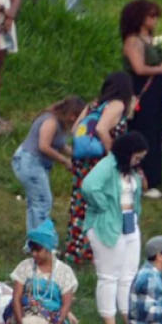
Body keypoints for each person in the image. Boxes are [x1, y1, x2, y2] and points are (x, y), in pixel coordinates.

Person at [63, 73, 136, 266]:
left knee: (80, 203)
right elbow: (102, 129)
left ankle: (75, 249)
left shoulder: (93, 105)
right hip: (99, 161)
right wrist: (114, 155)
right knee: (101, 202)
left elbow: (75, 130)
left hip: (82, 161)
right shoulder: (117, 105)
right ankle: (94, 250)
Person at [82, 132, 148, 324]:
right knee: (109, 275)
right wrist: (105, 206)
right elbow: (89, 187)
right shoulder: (107, 166)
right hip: (108, 225)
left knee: (128, 275)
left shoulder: (129, 170)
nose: (138, 162)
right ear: (127, 153)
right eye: (136, 158)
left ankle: (128, 317)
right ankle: (109, 323)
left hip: (129, 224)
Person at [11, 97, 84, 233]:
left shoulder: (60, 124)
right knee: (43, 201)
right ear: (72, 115)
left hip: (36, 164)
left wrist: (77, 155)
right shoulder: (51, 121)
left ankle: (34, 240)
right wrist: (65, 161)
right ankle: (41, 242)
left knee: (36, 202)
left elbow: (60, 145)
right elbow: (44, 146)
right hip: (30, 162)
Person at [121, 0, 162, 197]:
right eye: (151, 16)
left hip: (156, 92)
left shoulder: (151, 39)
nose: (155, 21)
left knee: (155, 130)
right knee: (144, 130)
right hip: (143, 90)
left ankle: (154, 177)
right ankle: (141, 178)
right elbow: (138, 68)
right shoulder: (133, 41)